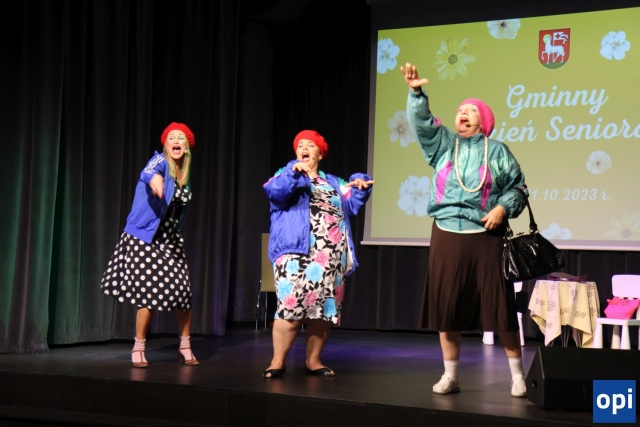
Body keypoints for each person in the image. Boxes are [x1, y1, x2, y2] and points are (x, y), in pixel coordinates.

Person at [400, 62, 529, 397]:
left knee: (499, 307)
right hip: (446, 232)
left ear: (483, 121)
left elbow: (518, 189)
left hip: (486, 236)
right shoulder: (443, 145)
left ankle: (518, 376)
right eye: (460, 110)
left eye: (471, 111)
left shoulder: (497, 151)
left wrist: (502, 208)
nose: (463, 114)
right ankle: (451, 375)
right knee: (447, 306)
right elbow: (423, 124)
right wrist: (416, 93)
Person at [261, 129, 374, 378]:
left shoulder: (332, 182)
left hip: (331, 255)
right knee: (290, 307)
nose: (304, 148)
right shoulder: (285, 173)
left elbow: (352, 203)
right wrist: (293, 172)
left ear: (320, 154)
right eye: (300, 144)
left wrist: (360, 184)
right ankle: (277, 362)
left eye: (310, 145)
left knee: (323, 309)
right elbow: (275, 193)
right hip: (295, 252)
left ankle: (313, 361)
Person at [100, 122, 199, 368]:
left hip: (171, 240)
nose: (176, 141)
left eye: (181, 138)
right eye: (171, 138)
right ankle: (139, 345)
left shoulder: (184, 177)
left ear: (186, 147)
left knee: (183, 293)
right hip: (146, 238)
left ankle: (185, 345)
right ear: (166, 144)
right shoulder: (160, 162)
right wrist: (155, 179)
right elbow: (148, 171)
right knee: (148, 294)